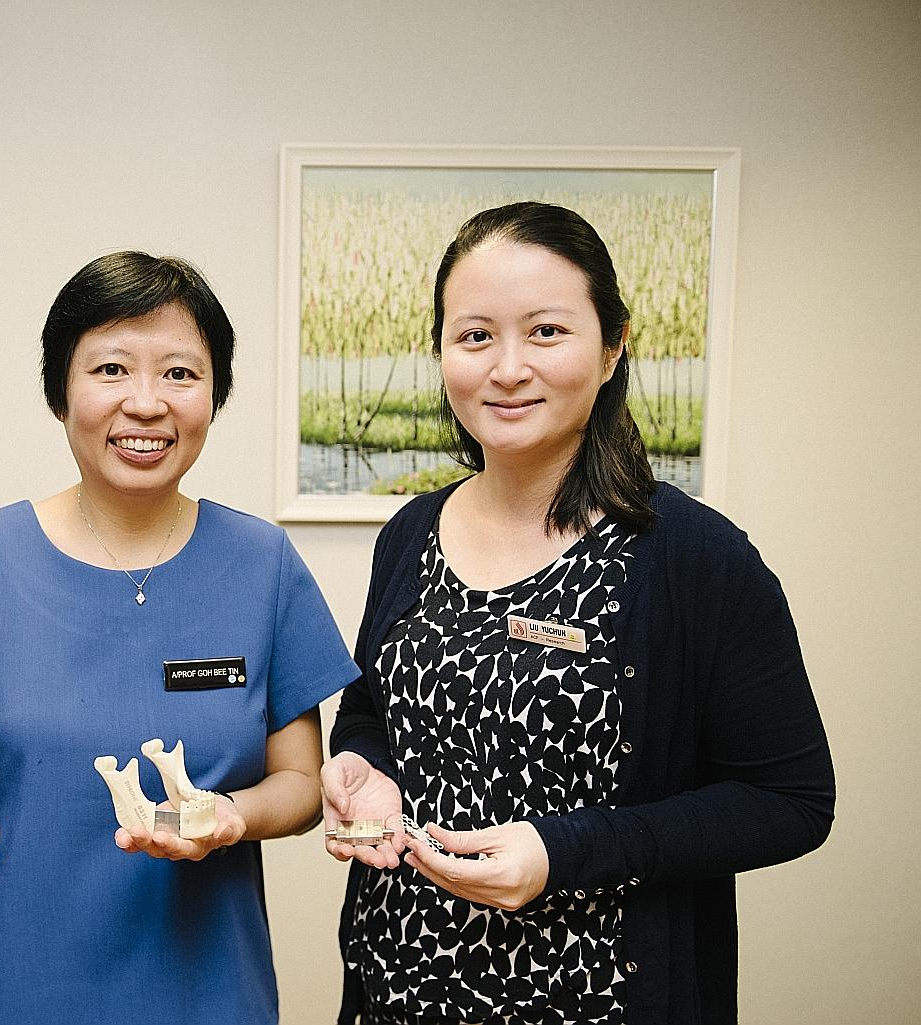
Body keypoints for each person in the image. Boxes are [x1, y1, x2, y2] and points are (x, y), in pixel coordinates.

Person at [321, 202, 835, 1025]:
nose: (508, 367)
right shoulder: (411, 533)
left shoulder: (693, 557)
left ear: (613, 344)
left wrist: (568, 853)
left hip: (597, 997)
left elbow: (792, 800)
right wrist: (361, 765)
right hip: (401, 987)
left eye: (547, 331)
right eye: (476, 335)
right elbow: (375, 709)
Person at [0, 251, 360, 1024]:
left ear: (215, 394)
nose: (146, 404)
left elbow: (304, 785)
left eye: (180, 373)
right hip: (24, 992)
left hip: (213, 996)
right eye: (110, 368)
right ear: (61, 390)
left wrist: (233, 815)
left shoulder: (261, 564)